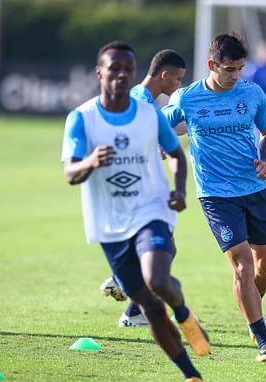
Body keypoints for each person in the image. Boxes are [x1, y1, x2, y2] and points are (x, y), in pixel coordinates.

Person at [61, 40, 206, 382]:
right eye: (115, 69)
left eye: (128, 69)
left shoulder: (148, 113)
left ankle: (185, 314)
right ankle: (192, 377)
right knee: (150, 309)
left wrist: (180, 190)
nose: (122, 75)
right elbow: (70, 174)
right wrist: (91, 161)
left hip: (151, 209)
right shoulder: (81, 118)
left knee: (158, 279)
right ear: (99, 73)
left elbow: (175, 153)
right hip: (109, 224)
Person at [163, 32, 266, 363]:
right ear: (212, 65)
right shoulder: (187, 98)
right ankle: (261, 336)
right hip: (215, 194)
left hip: (254, 189)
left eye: (240, 69)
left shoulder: (252, 93)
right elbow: (161, 125)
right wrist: (160, 145)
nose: (235, 76)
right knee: (241, 262)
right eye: (230, 69)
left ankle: (249, 303)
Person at [98, 49, 191, 329]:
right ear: (164, 75)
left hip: (136, 185)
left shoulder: (144, 100)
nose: (178, 86)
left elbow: (161, 133)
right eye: (177, 79)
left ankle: (132, 309)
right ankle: (123, 284)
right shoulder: (141, 102)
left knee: (167, 248)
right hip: (138, 187)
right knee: (163, 249)